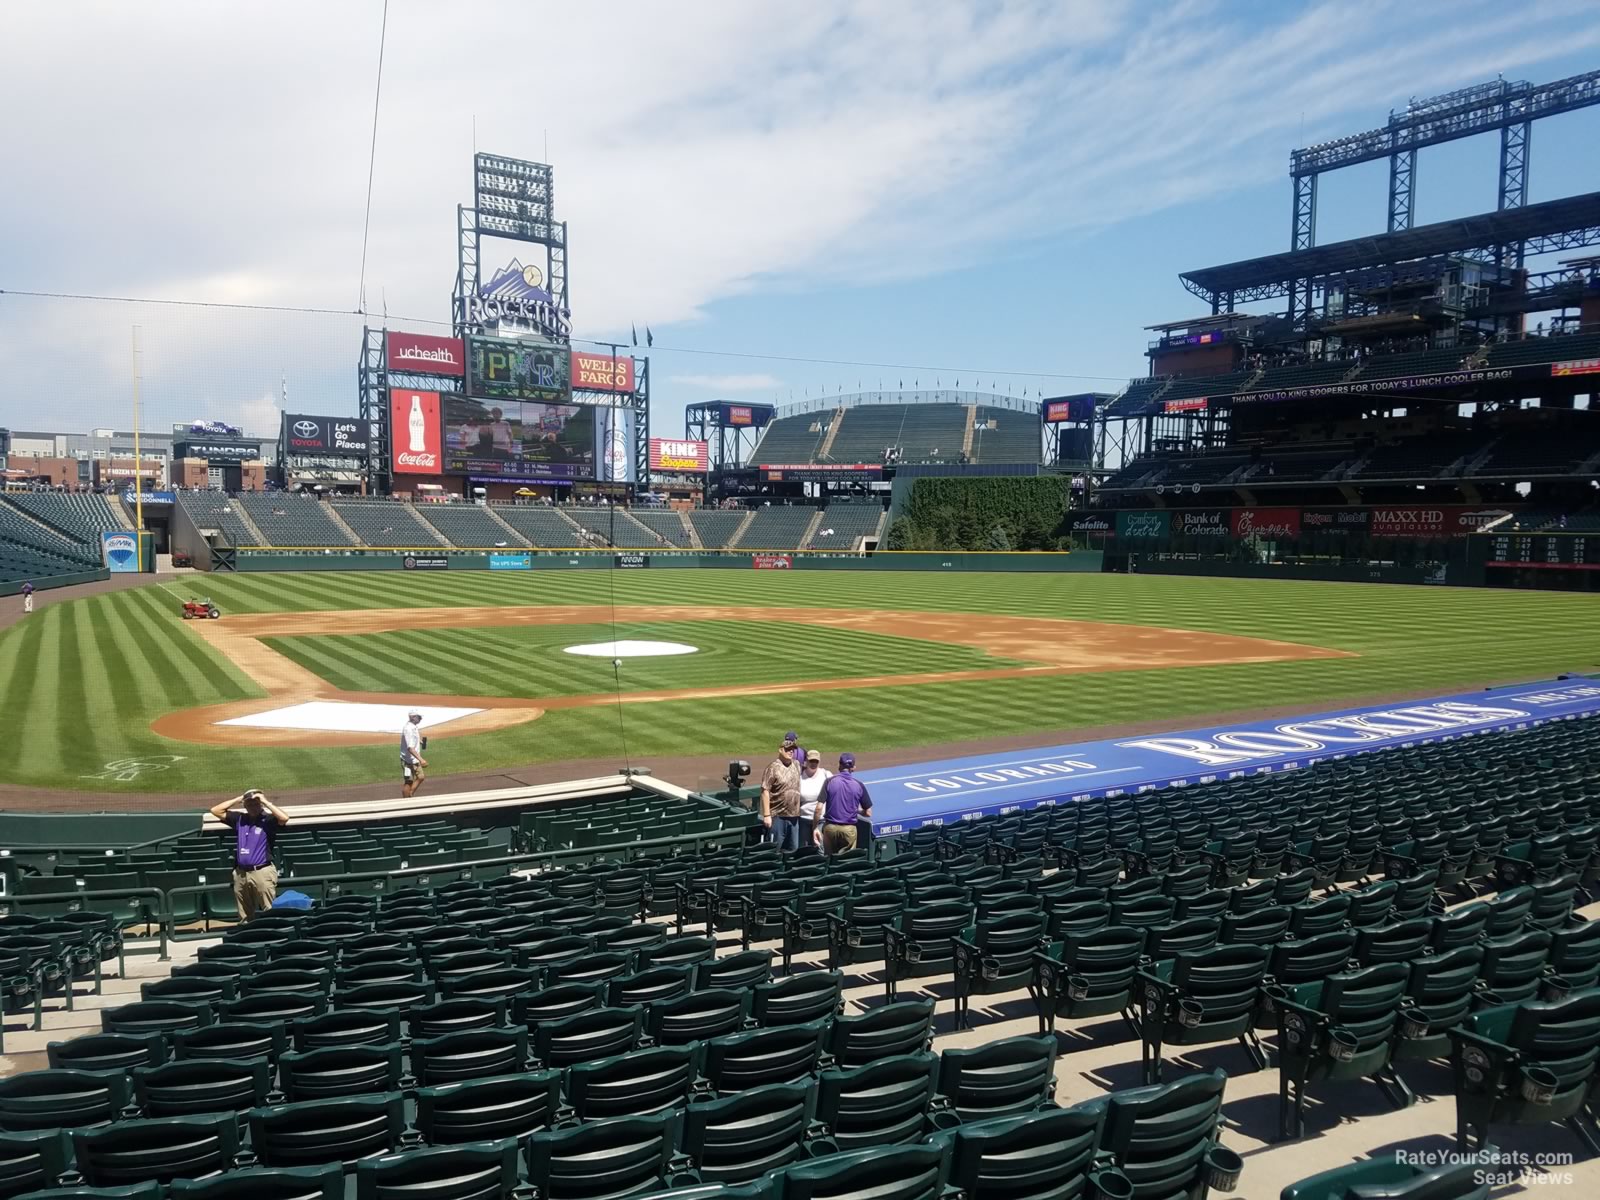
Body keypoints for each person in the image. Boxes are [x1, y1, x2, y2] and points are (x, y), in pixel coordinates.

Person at [207, 789, 289, 922]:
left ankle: (272, 934)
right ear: (245, 806)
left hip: (262, 871)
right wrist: (238, 799)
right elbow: (215, 810)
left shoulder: (268, 820)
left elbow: (284, 818)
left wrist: (265, 802)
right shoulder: (240, 819)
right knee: (244, 914)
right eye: (249, 804)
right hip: (241, 873)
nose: (253, 807)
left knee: (269, 909)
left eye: (256, 804)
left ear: (260, 805)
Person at [814, 753, 872, 855]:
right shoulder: (858, 785)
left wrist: (815, 828)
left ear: (839, 765)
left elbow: (818, 808)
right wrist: (857, 811)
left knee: (829, 859)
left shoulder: (829, 781)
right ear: (853, 767)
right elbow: (868, 813)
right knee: (846, 862)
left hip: (830, 828)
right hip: (849, 830)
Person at [759, 736, 803, 852]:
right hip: (778, 817)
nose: (791, 751)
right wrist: (767, 815)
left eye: (792, 749)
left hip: (794, 817)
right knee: (775, 850)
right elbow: (765, 790)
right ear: (780, 750)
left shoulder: (797, 765)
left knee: (793, 850)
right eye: (787, 749)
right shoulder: (773, 767)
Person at [797, 749, 831, 848]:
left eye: (816, 761)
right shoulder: (799, 776)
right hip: (804, 819)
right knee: (803, 849)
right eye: (811, 761)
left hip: (821, 820)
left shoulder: (826, 775)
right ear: (806, 761)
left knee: (821, 849)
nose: (813, 763)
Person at [401, 710, 428, 797]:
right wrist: (421, 759)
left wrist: (419, 741)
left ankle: (410, 794)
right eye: (419, 717)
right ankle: (406, 800)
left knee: (421, 777)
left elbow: (413, 739)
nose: (421, 719)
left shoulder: (413, 726)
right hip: (407, 761)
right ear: (413, 717)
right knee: (408, 782)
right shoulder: (408, 729)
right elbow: (410, 748)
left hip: (414, 760)